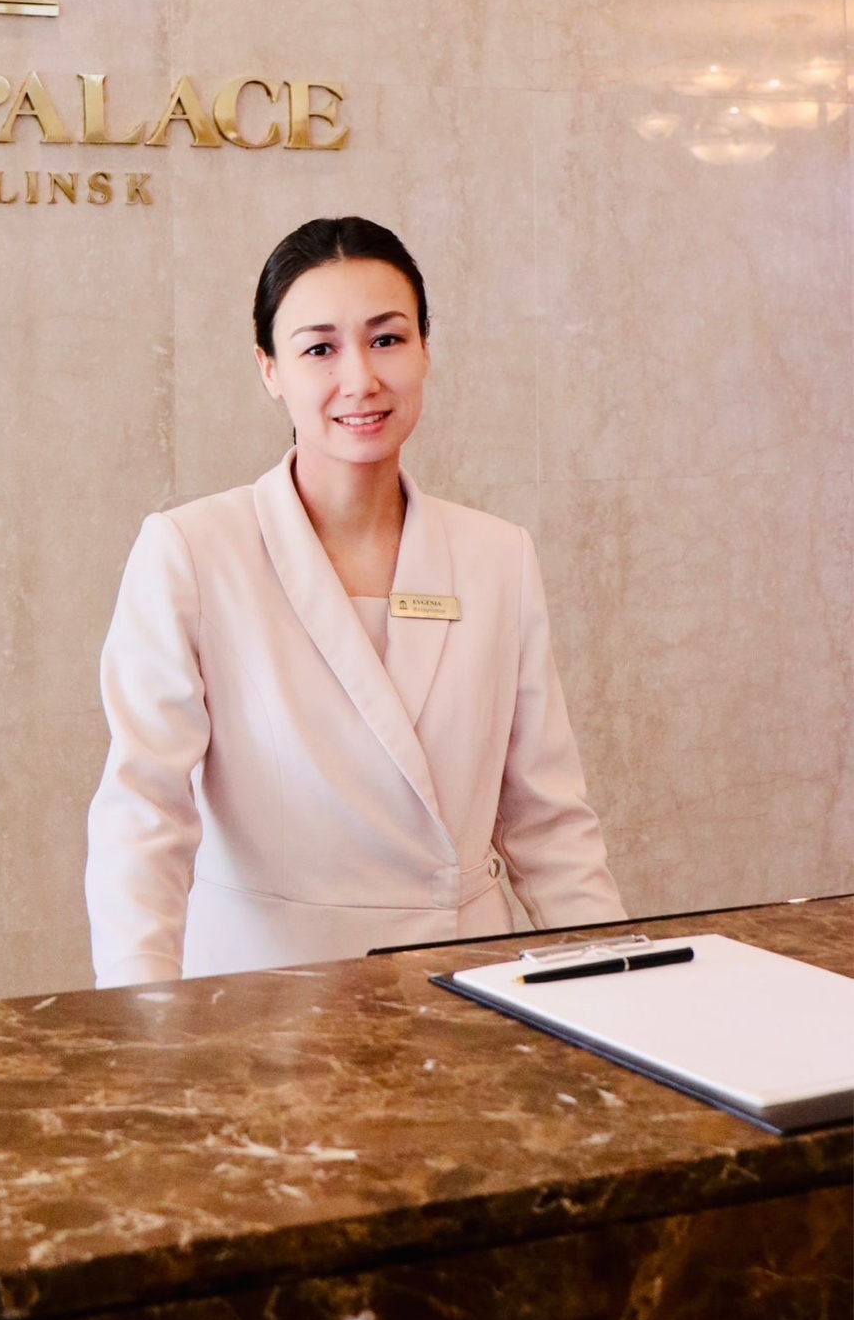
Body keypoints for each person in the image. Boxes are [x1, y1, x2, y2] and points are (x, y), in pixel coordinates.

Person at [86, 215, 624, 986]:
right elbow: (143, 814)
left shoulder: (496, 555)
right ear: (270, 369)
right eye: (319, 349)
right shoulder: (193, 552)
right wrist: (141, 1014)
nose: (360, 379)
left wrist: (614, 984)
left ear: (425, 349)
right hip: (265, 996)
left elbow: (547, 821)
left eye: (386, 339)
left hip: (463, 987)